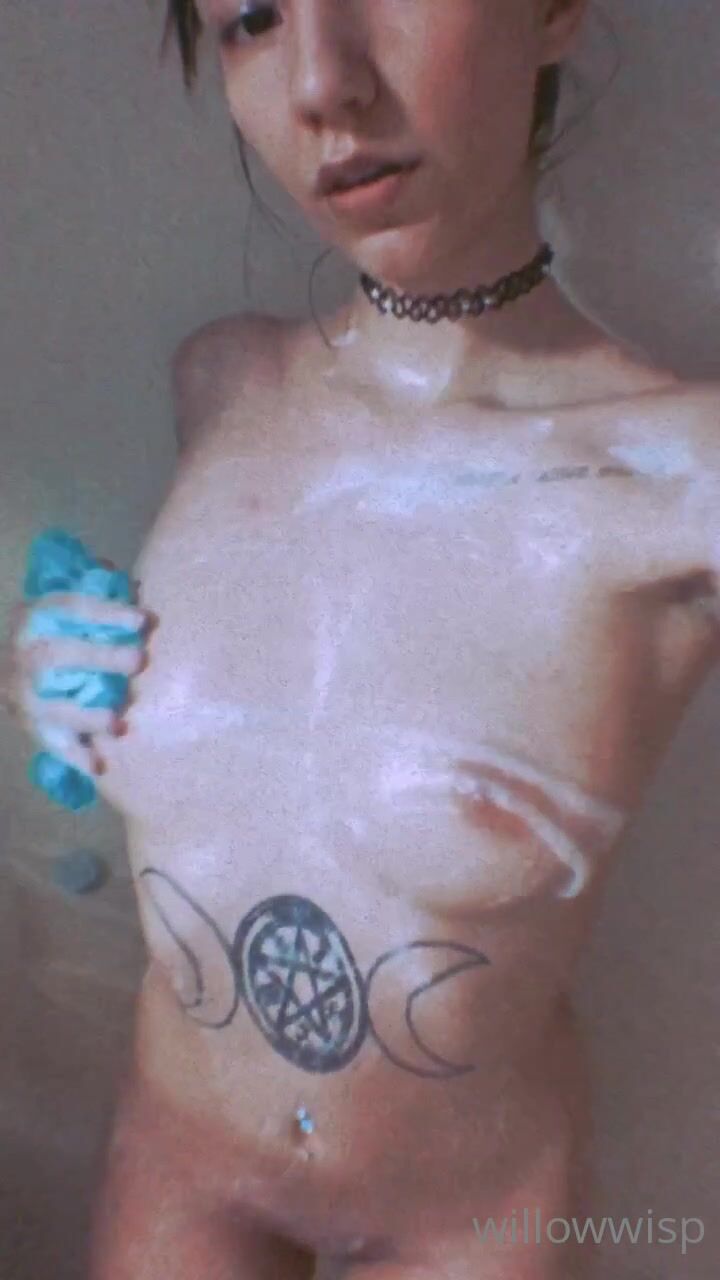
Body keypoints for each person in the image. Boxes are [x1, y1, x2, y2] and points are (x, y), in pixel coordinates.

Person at [3, 1, 720, 1276]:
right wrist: (41, 681)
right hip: (182, 1165)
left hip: (474, 1214)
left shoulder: (682, 477)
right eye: (251, 19)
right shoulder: (222, 385)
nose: (322, 83)